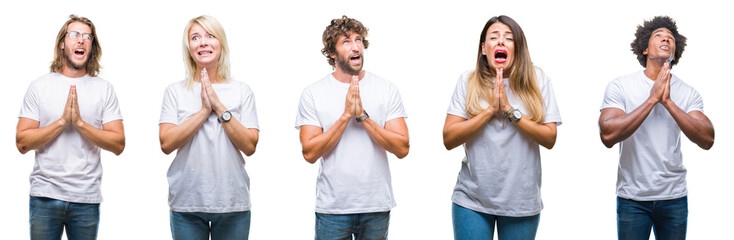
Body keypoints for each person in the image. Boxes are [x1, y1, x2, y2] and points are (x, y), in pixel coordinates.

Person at [442, 15, 561, 240]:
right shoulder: (468, 81)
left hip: (521, 201)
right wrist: (489, 112)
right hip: (471, 200)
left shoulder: (538, 80)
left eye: (508, 38)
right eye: (493, 37)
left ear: (517, 48)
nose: (500, 42)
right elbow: (449, 138)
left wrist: (509, 110)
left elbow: (550, 138)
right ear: (484, 49)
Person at [598, 16, 714, 240]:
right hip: (632, 199)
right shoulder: (621, 86)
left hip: (674, 198)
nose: (666, 39)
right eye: (659, 35)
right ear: (644, 48)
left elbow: (707, 139)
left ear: (675, 51)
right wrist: (652, 100)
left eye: (671, 38)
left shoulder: (688, 92)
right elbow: (607, 134)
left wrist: (668, 103)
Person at [295, 15, 409, 239]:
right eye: (346, 41)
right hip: (333, 210)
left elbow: (402, 148)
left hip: (376, 207)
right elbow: (309, 152)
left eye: (358, 39)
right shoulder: (313, 93)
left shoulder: (386, 89)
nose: (356, 46)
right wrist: (346, 115)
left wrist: (363, 117)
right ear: (332, 53)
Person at [16, 15, 125, 240]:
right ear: (62, 43)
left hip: (86, 199)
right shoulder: (40, 86)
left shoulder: (104, 89)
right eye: (74, 34)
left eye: (87, 36)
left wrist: (81, 124)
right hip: (45, 197)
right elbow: (22, 142)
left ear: (92, 46)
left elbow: (118, 144)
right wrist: (61, 122)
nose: (81, 40)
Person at [159, 15, 259, 240]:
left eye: (210, 36)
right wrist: (204, 111)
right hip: (187, 204)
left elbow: (250, 145)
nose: (203, 42)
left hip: (233, 203)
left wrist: (219, 107)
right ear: (189, 48)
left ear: (221, 44)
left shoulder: (242, 90)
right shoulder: (174, 91)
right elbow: (166, 143)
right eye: (195, 37)